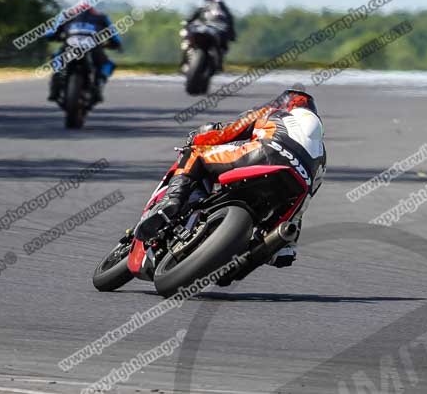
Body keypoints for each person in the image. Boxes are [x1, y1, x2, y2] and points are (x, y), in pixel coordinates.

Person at [137, 89, 326, 267]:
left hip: (265, 154)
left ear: (286, 105)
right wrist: (288, 241)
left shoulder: (272, 112)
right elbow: (307, 197)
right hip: (297, 188)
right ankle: (267, 252)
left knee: (196, 155)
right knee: (275, 234)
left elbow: (226, 131)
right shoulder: (322, 154)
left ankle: (170, 202)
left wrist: (196, 138)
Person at [46, 2, 123, 104]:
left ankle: (55, 86)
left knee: (56, 59)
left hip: (69, 48)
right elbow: (116, 38)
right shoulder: (102, 17)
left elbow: (50, 33)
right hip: (94, 49)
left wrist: (56, 37)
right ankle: (99, 84)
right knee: (108, 64)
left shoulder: (66, 16)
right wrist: (114, 45)